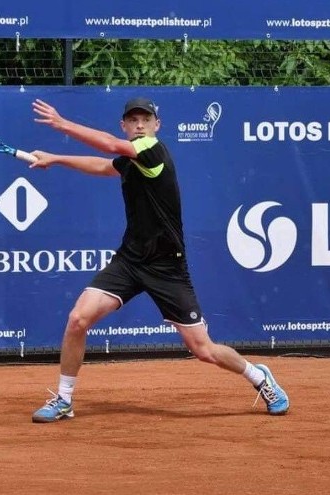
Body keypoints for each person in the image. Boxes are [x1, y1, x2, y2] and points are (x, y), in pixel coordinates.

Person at [28, 97, 289, 422]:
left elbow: (109, 145)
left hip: (167, 268)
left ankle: (260, 377)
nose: (139, 124)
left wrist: (62, 124)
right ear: (124, 125)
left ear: (156, 125)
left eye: (145, 119)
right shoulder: (131, 159)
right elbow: (102, 165)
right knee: (78, 319)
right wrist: (56, 158)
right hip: (130, 261)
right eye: (132, 120)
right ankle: (64, 399)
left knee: (203, 349)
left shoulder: (153, 151)